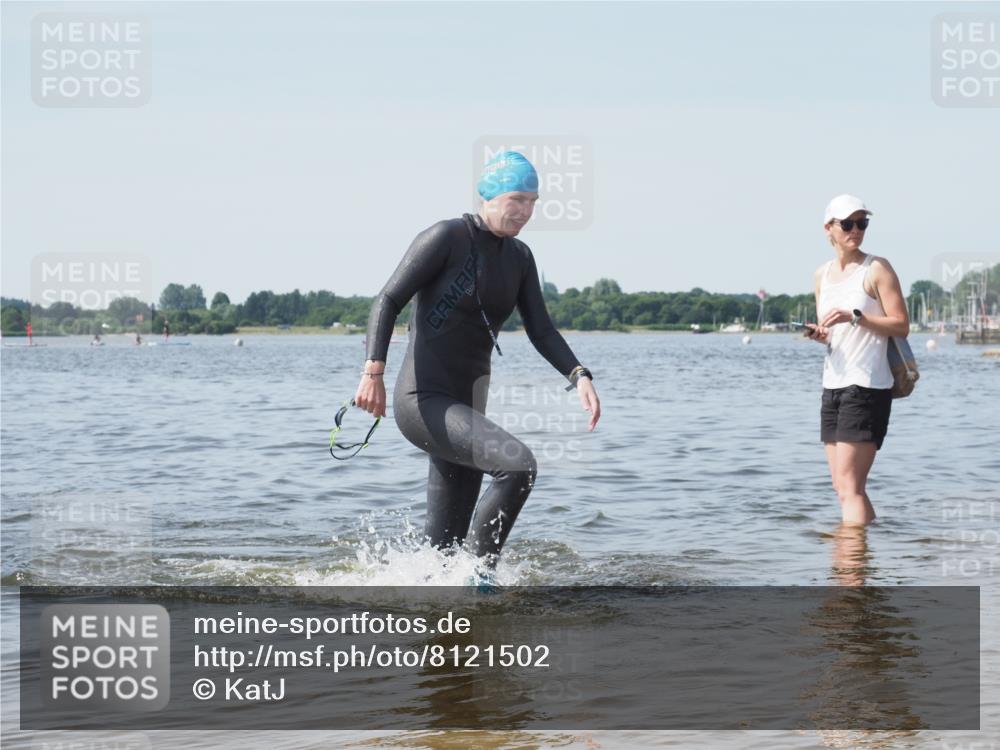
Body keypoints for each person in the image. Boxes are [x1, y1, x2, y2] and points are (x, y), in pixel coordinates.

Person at [354, 151, 601, 569]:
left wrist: (579, 376)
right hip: (423, 401)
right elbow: (388, 299)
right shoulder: (446, 238)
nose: (525, 211)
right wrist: (372, 372)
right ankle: (480, 580)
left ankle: (438, 597)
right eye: (516, 199)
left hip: (467, 408)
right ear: (488, 195)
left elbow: (541, 329)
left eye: (532, 202)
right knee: (518, 467)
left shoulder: (520, 259)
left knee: (441, 554)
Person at [805, 195, 909, 526]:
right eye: (847, 223)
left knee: (851, 487)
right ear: (829, 228)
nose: (856, 230)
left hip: (866, 385)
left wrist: (857, 317)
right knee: (843, 487)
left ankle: (851, 570)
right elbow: (834, 332)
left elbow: (902, 324)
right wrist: (821, 335)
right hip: (832, 384)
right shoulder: (821, 275)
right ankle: (863, 555)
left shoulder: (877, 268)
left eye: (862, 223)